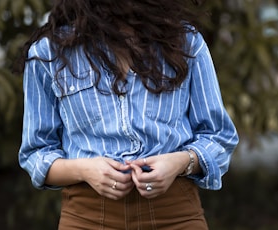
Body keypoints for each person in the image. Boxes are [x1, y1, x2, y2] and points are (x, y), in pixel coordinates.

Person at [17, 0, 239, 229]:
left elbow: (219, 136)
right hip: (88, 218)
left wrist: (182, 162)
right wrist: (85, 170)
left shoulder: (186, 43)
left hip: (176, 215)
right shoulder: (49, 53)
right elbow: (36, 152)